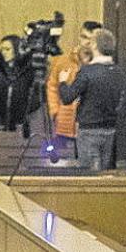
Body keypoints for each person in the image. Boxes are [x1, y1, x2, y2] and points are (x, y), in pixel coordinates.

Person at [58, 28, 126, 171]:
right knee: (104, 174)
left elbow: (67, 98)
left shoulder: (87, 72)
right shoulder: (120, 73)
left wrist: (63, 82)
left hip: (89, 130)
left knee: (89, 175)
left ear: (95, 46)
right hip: (111, 129)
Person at [46, 20, 100, 154]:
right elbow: (52, 87)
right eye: (84, 37)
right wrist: (55, 112)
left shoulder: (99, 65)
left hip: (89, 126)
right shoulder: (63, 61)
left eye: (91, 39)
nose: (86, 42)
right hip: (64, 123)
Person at [0, 35, 34, 132]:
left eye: (7, 49)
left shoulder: (27, 70)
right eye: (2, 49)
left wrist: (25, 109)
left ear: (17, 50)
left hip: (20, 120)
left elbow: (35, 95)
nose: (4, 53)